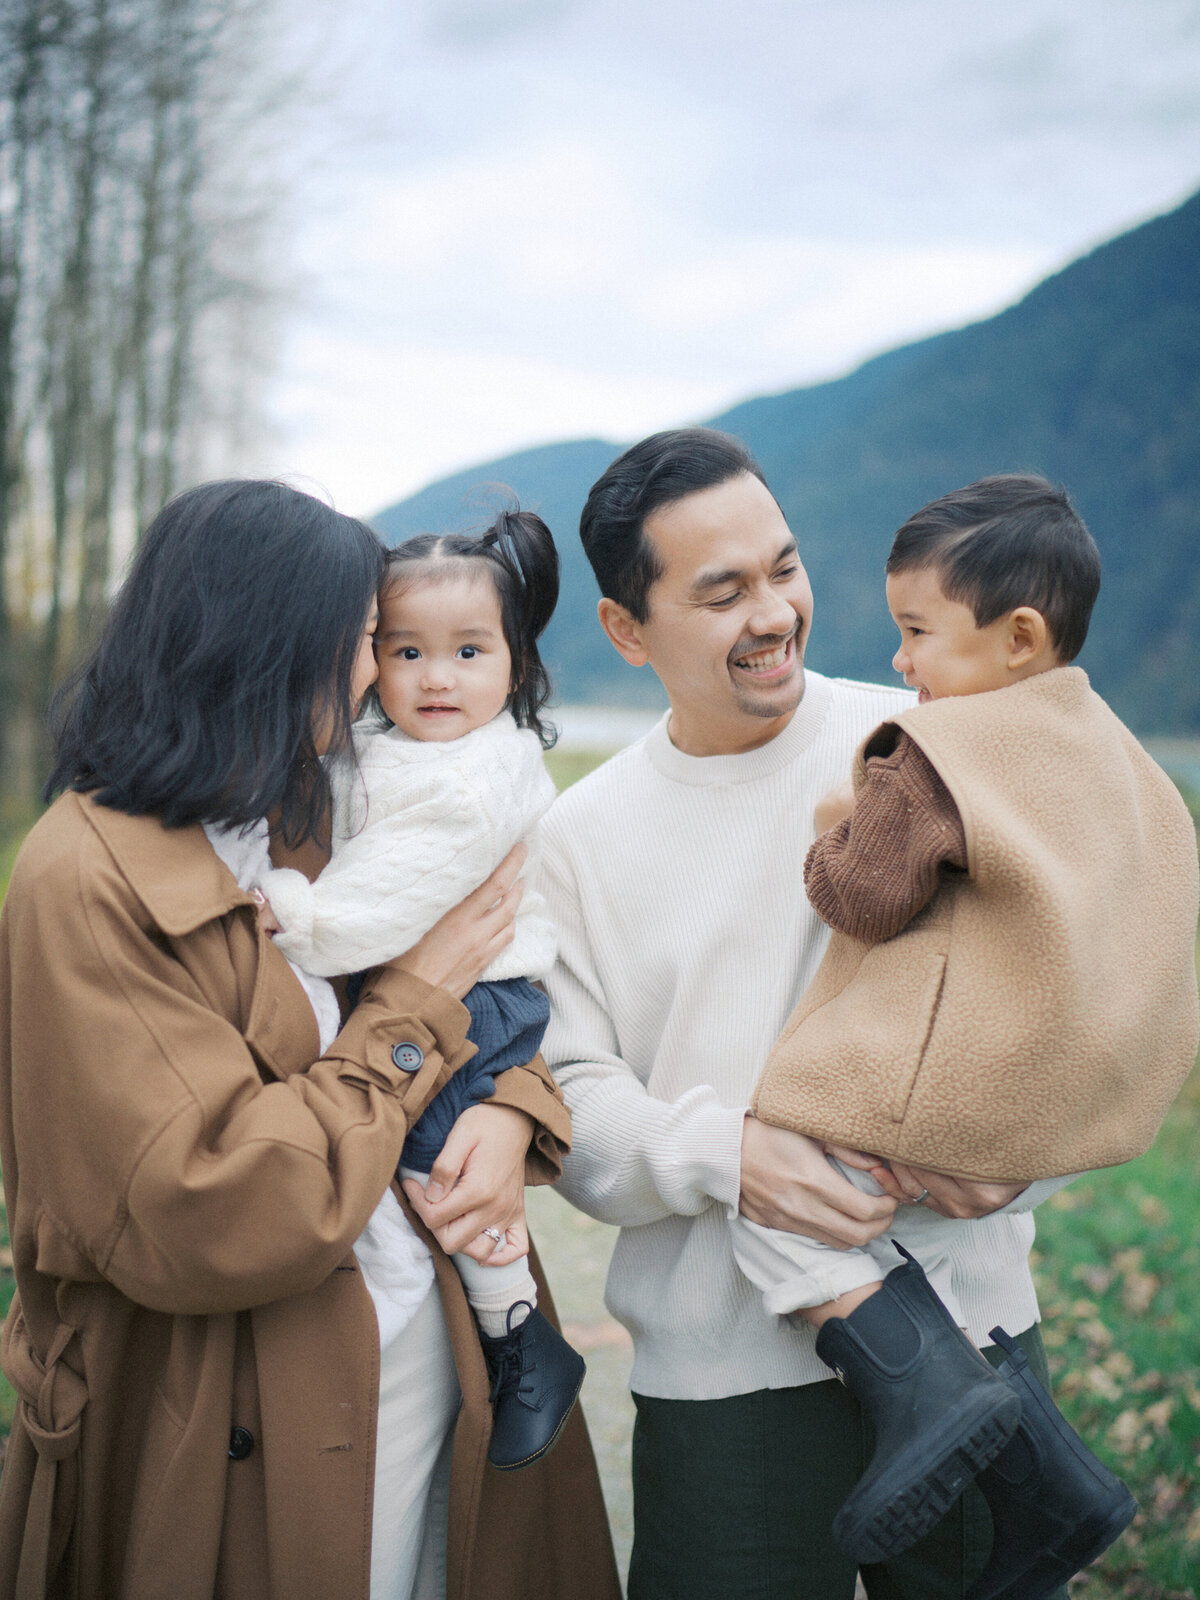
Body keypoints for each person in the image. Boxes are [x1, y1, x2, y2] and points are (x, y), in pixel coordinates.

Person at [0, 480, 620, 1600]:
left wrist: (507, 1111)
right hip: (245, 1416)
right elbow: (220, 1204)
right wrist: (409, 1012)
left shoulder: (314, 805)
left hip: (438, 1348)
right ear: (263, 642)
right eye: (365, 641)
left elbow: (507, 991)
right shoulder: (86, 877)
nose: (373, 672)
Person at [537, 429, 1071, 1600]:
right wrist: (727, 1153)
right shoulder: (580, 837)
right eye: (722, 592)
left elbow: (1069, 998)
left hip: (972, 1332)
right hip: (728, 1393)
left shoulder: (938, 737)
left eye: (783, 569)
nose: (773, 612)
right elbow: (569, 1108)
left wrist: (1020, 1159)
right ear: (628, 631)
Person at [735, 475, 1197, 1593]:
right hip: (1072, 1117)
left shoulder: (936, 753)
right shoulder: (1119, 755)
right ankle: (1051, 1484)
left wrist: (835, 823)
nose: (901, 662)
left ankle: (933, 1401)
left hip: (957, 1103)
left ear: (1017, 638)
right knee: (921, 1254)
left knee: (776, 1209)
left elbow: (861, 898)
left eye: (917, 632)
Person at [255, 510, 586, 1472]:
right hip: (438, 984)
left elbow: (385, 900)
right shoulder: (395, 745)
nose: (436, 677)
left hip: (481, 1001)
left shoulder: (474, 778)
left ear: (514, 669)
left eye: (468, 652)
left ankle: (519, 1333)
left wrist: (294, 912)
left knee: (431, 1164)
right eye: (406, 651)